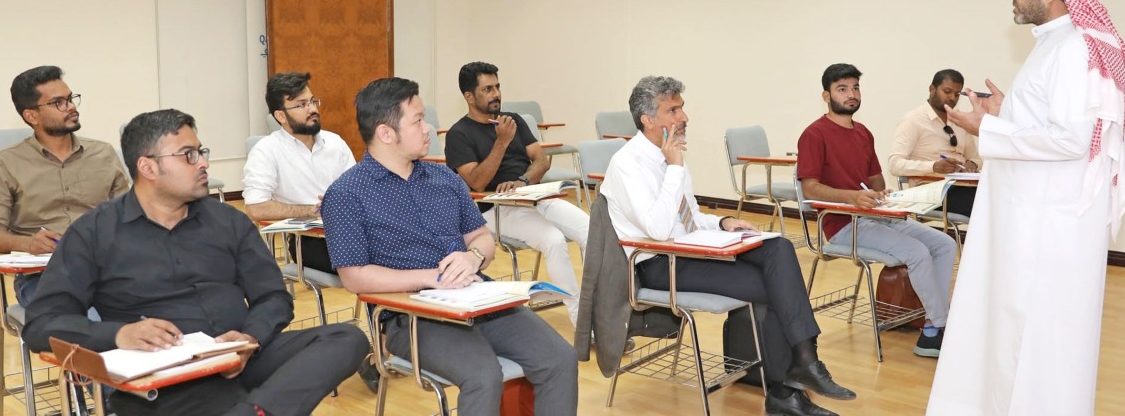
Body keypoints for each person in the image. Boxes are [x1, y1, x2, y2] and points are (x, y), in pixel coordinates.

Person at [23, 109, 366, 416]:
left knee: (346, 339)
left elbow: (273, 297)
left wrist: (249, 337)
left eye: (201, 152)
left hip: (240, 357)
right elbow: (41, 324)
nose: (203, 163)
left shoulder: (228, 221)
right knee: (220, 401)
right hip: (167, 377)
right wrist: (121, 333)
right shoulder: (93, 233)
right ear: (148, 167)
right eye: (189, 155)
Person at [928, 0, 1125, 416]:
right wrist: (1007, 112)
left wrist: (987, 129)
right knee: (1013, 329)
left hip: (1047, 225)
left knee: (1039, 335)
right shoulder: (1054, 44)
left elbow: (1071, 141)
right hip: (1031, 216)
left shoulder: (1075, 48)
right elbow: (1049, 125)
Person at [323, 77, 578, 416]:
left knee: (560, 358)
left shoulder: (445, 179)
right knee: (484, 376)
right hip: (411, 317)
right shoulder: (346, 195)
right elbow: (354, 277)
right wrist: (430, 277)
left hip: (479, 299)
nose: (428, 128)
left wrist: (472, 258)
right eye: (417, 120)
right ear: (386, 133)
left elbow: (482, 239)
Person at [601, 76, 855, 416]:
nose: (684, 117)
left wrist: (721, 223)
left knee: (778, 247)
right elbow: (660, 230)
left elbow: (687, 216)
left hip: (691, 249)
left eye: (682, 107)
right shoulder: (628, 164)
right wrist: (675, 167)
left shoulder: (670, 155)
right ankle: (786, 387)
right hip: (661, 265)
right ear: (649, 120)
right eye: (673, 110)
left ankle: (804, 363)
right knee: (774, 286)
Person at [797, 64, 957, 358]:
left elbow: (875, 179)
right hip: (842, 226)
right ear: (826, 95)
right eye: (842, 89)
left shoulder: (863, 133)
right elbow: (810, 188)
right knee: (917, 252)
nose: (851, 94)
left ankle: (934, 324)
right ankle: (941, 326)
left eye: (855, 88)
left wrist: (881, 192)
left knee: (945, 244)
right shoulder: (814, 134)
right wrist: (852, 197)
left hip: (875, 214)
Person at [444, 61, 589, 327]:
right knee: (554, 240)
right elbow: (477, 182)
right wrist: (501, 142)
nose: (496, 93)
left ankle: (601, 313)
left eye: (497, 86)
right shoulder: (458, 134)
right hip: (496, 210)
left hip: (533, 196)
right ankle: (582, 323)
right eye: (487, 89)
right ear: (469, 96)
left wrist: (522, 181)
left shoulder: (513, 120)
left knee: (591, 230)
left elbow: (542, 161)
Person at [0, 65, 128, 305]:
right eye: (58, 102)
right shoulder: (5, 164)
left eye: (70, 99)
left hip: (108, 268)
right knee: (75, 322)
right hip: (44, 276)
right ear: (31, 116)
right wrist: (28, 244)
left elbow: (128, 214)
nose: (71, 107)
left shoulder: (103, 153)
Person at [243, 71, 355, 274]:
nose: (312, 109)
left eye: (312, 102)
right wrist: (314, 210)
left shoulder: (335, 143)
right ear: (280, 116)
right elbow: (256, 208)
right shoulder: (266, 151)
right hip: (309, 240)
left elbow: (357, 190)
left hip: (350, 229)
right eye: (301, 105)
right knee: (380, 260)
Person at [887, 68, 982, 217]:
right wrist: (934, 166)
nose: (952, 98)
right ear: (932, 89)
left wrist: (972, 164)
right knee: (984, 203)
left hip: (961, 187)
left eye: (957, 94)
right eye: (947, 91)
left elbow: (977, 158)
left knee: (998, 194)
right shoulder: (913, 120)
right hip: (929, 192)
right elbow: (894, 165)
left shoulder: (960, 121)